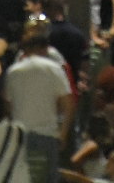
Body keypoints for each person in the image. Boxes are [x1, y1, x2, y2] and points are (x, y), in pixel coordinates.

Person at [5, 29, 74, 183]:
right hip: (47, 135)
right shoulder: (54, 69)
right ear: (44, 49)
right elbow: (68, 104)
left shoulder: (13, 72)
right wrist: (63, 134)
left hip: (20, 137)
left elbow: (7, 106)